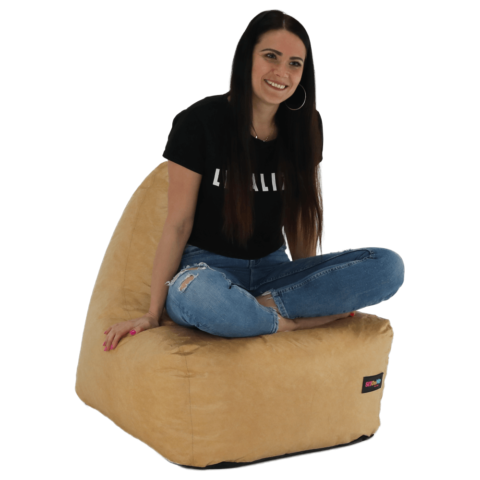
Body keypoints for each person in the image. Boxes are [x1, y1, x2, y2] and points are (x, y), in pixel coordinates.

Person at [103, 10, 404, 351]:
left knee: (388, 267)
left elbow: (300, 217)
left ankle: (253, 312)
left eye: (294, 63)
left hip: (272, 274)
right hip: (206, 272)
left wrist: (309, 282)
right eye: (271, 56)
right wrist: (152, 314)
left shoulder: (306, 126)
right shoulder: (198, 122)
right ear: (247, 57)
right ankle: (289, 323)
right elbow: (178, 224)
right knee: (198, 295)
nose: (282, 72)